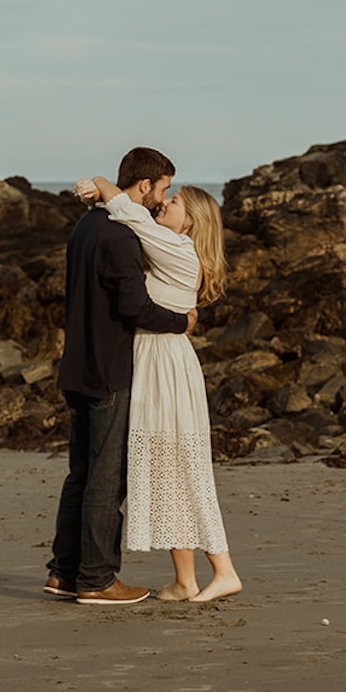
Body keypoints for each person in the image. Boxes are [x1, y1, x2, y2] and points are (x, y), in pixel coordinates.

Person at [76, 174, 242, 603]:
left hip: (166, 367)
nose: (164, 204)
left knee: (182, 467)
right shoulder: (169, 248)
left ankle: (224, 569)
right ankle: (185, 579)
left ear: (191, 223)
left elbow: (131, 213)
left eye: (176, 202)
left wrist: (100, 183)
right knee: (166, 470)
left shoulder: (180, 249)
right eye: (167, 196)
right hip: (155, 363)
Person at [45, 147, 197, 607]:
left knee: (80, 474)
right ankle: (97, 579)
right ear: (145, 185)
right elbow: (135, 308)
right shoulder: (123, 237)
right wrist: (181, 323)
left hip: (75, 364)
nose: (163, 199)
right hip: (109, 368)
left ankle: (63, 574)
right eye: (164, 189)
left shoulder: (87, 225)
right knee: (106, 480)